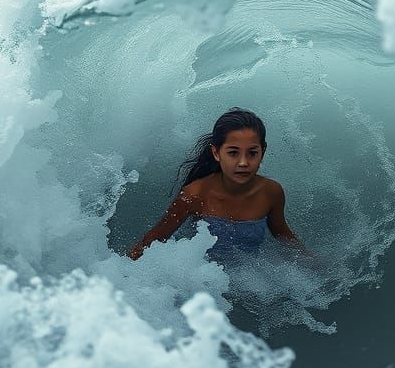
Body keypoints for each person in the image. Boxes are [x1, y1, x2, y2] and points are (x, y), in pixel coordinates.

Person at [127, 108, 305, 262]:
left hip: (252, 284)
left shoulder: (271, 192)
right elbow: (154, 239)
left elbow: (283, 236)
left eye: (252, 153)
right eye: (233, 153)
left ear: (263, 152)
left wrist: (314, 265)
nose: (243, 162)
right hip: (204, 282)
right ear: (216, 153)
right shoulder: (194, 194)